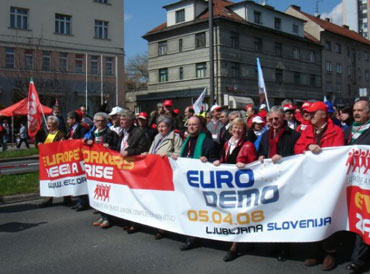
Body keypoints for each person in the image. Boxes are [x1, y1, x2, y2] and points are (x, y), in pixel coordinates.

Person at [294, 101, 345, 271]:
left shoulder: (336, 131)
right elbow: (297, 147)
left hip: (327, 181)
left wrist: (319, 150)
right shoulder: (307, 129)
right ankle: (315, 251)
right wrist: (309, 146)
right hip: (309, 179)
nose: (309, 116)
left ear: (323, 114)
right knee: (311, 215)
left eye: (312, 113)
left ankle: (330, 252)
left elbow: (336, 153)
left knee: (326, 215)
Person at [258, 106, 300, 261]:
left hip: (286, 179)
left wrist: (283, 157)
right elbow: (261, 150)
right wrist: (262, 155)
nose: (274, 122)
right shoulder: (264, 136)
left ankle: (284, 247)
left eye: (277, 118)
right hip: (269, 179)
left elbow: (298, 156)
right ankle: (274, 243)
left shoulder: (294, 135)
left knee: (284, 213)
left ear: (283, 118)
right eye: (271, 119)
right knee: (271, 212)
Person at [213, 118, 258, 262]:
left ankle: (235, 246)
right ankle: (245, 240)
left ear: (244, 131)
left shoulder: (248, 145)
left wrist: (245, 165)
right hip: (229, 186)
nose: (237, 130)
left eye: (240, 128)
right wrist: (218, 162)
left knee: (240, 214)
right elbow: (224, 159)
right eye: (234, 128)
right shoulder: (227, 144)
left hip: (243, 186)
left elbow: (255, 166)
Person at [172, 115, 217, 251]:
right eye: (189, 125)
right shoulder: (186, 141)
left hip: (200, 184)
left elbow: (215, 161)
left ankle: (196, 237)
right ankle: (192, 236)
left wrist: (207, 160)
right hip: (187, 183)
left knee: (199, 211)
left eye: (194, 125)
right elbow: (184, 159)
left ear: (200, 127)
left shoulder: (208, 142)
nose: (191, 127)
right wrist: (177, 158)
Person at [143, 115, 183, 240]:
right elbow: (152, 153)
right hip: (155, 172)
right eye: (159, 126)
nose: (161, 129)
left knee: (166, 201)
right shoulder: (156, 137)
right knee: (157, 200)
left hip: (167, 173)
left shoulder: (175, 138)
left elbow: (179, 154)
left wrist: (167, 154)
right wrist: (147, 155)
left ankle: (164, 227)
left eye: (163, 126)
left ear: (169, 127)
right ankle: (159, 223)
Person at [344, 99, 370, 273]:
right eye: (354, 110)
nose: (356, 113)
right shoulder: (349, 131)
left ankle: (358, 261)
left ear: (368, 112)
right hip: (354, 183)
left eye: (360, 110)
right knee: (358, 220)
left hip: (366, 183)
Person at [118, 109, 151, 233]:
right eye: (120, 119)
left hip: (134, 168)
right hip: (123, 168)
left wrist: (129, 152)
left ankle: (136, 223)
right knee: (126, 195)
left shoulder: (139, 132)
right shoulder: (123, 132)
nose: (121, 121)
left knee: (134, 196)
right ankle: (127, 219)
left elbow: (143, 148)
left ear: (131, 121)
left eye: (124, 119)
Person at [87, 112, 120, 228]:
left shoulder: (112, 134)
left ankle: (108, 218)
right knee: (98, 193)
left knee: (106, 193)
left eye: (102, 121)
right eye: (98, 121)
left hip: (107, 167)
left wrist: (110, 147)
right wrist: (87, 142)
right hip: (95, 167)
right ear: (94, 122)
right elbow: (82, 143)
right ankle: (102, 215)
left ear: (106, 122)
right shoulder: (92, 133)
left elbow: (118, 149)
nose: (100, 123)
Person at [39, 116, 68, 208]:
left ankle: (67, 198)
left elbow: (62, 146)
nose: (48, 125)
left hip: (58, 161)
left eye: (50, 123)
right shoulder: (48, 134)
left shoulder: (60, 134)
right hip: (49, 161)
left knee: (62, 179)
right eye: (48, 123)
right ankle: (48, 199)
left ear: (56, 124)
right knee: (49, 180)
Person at [66, 111, 89, 211]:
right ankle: (79, 201)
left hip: (80, 158)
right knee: (75, 179)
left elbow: (83, 140)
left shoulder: (82, 128)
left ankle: (83, 202)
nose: (67, 121)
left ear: (74, 120)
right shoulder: (71, 129)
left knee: (80, 179)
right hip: (73, 157)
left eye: (68, 119)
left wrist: (73, 141)